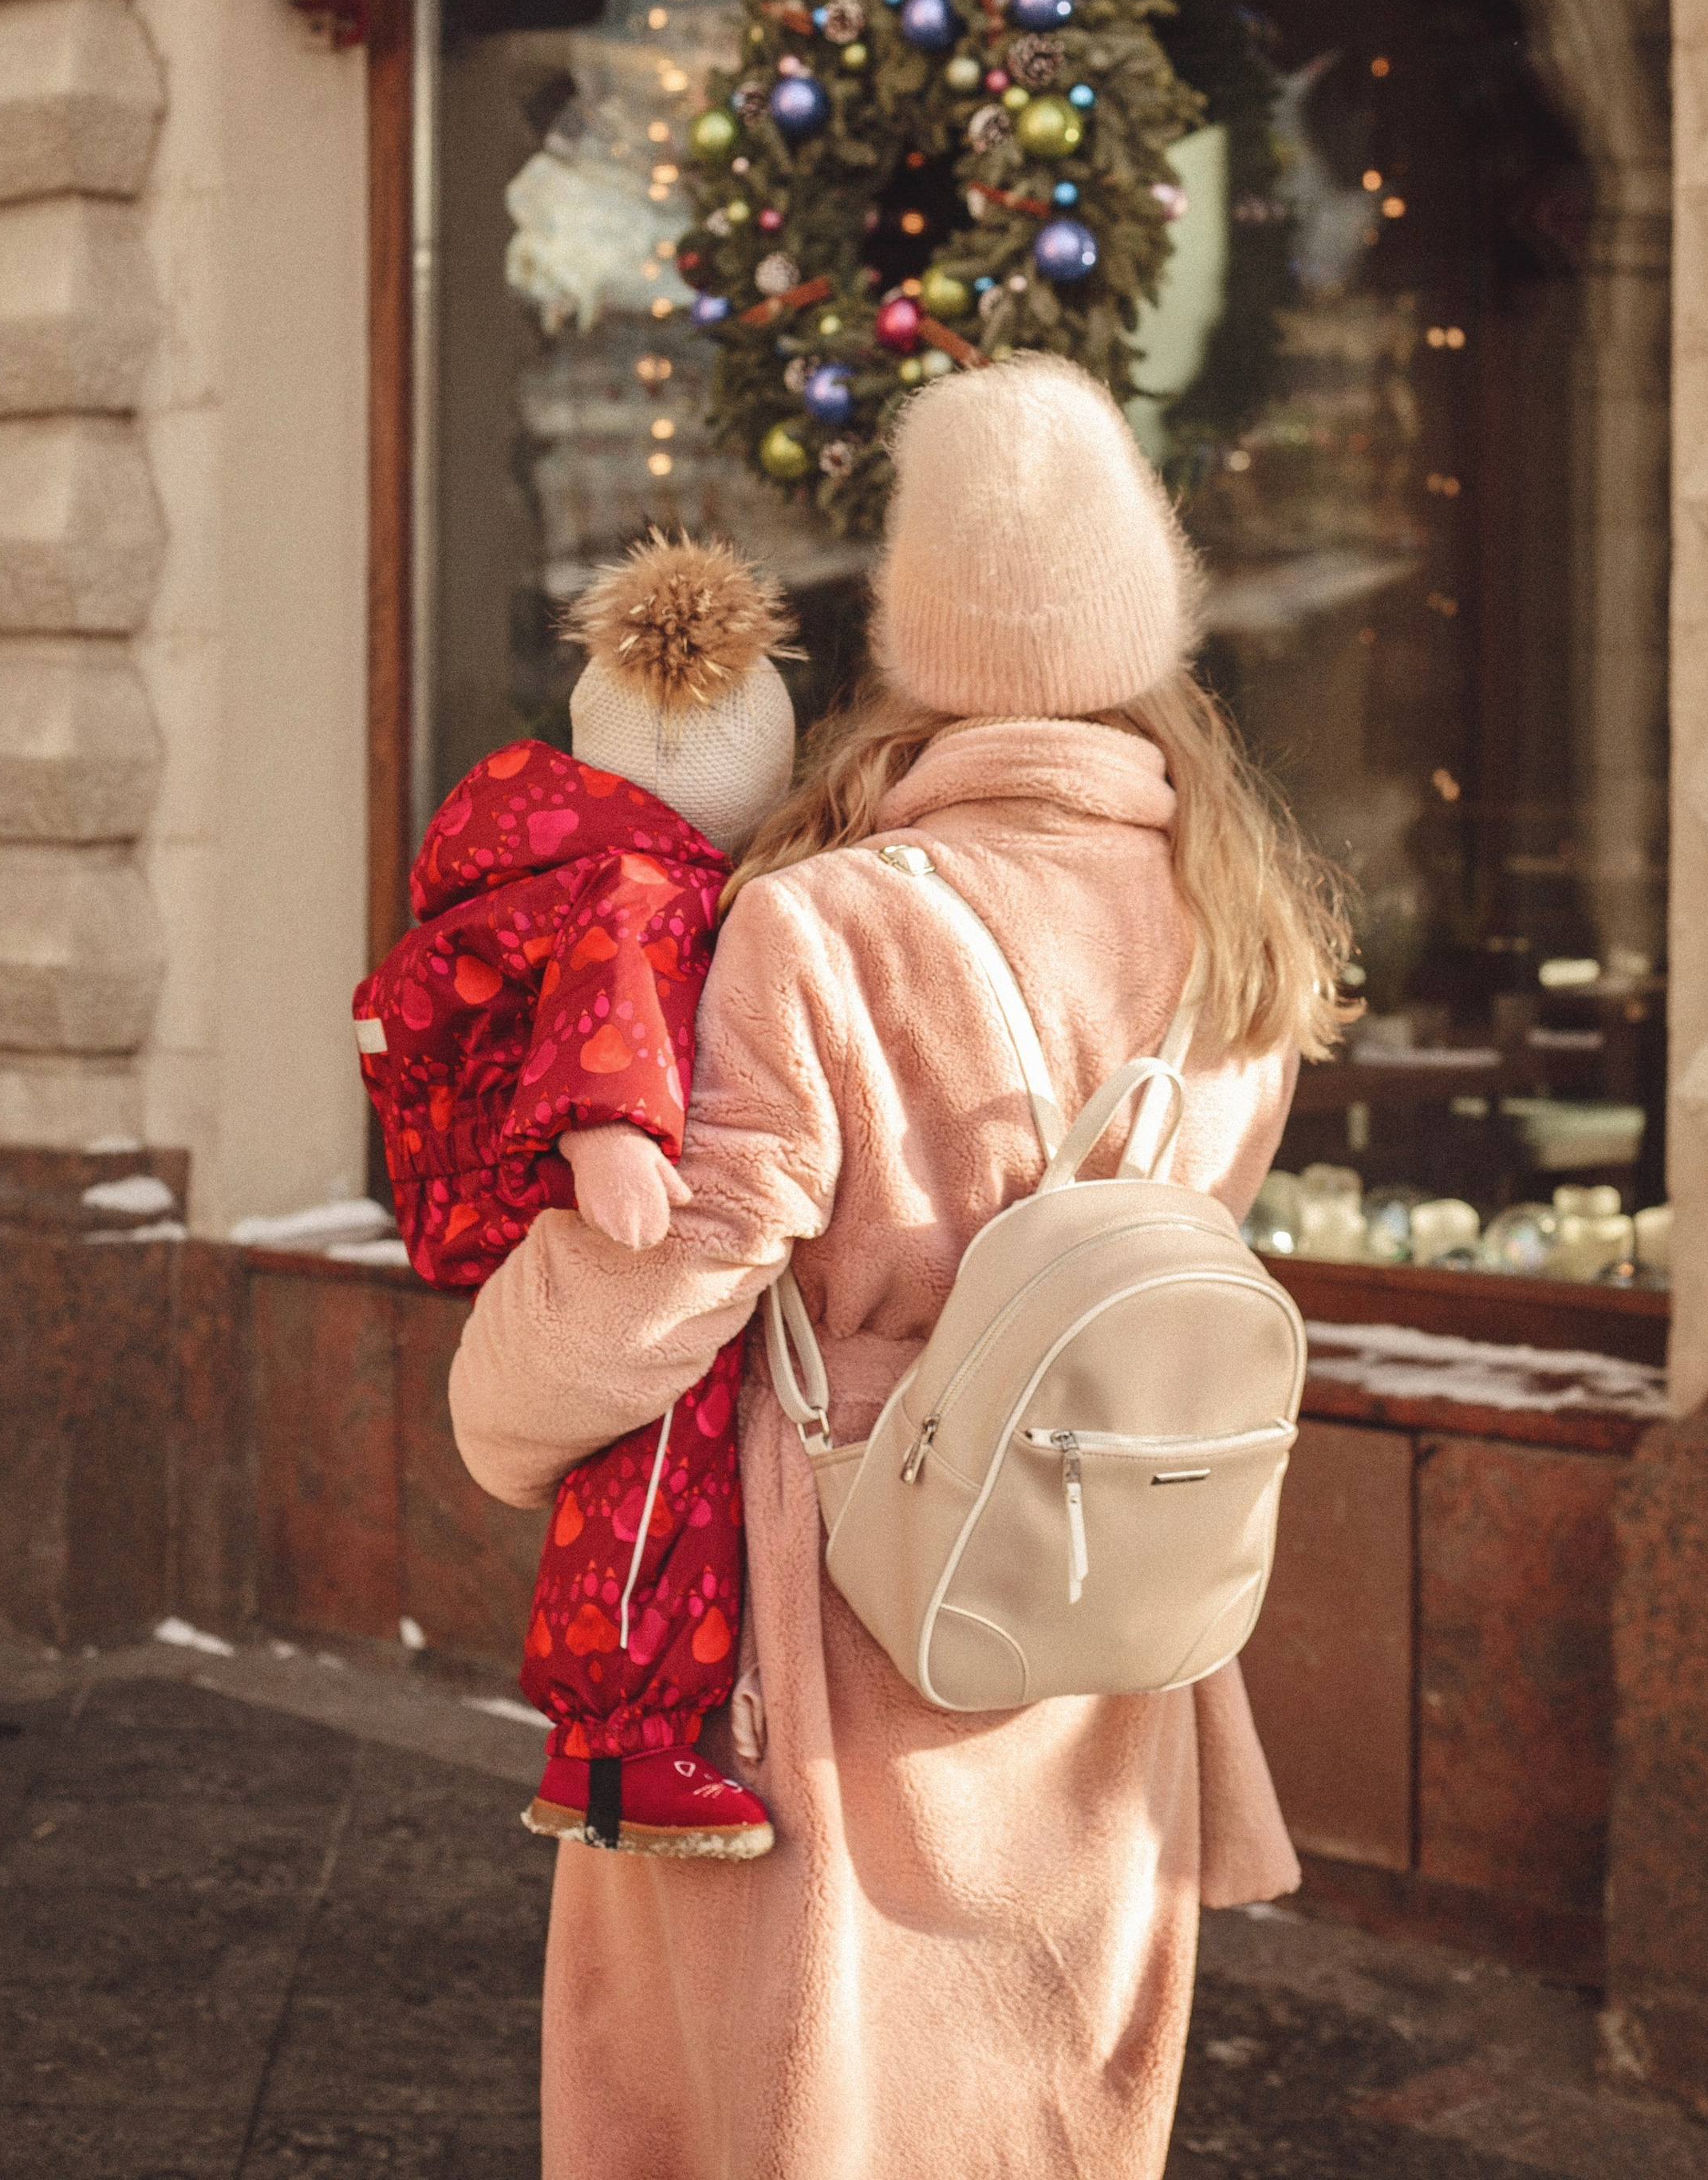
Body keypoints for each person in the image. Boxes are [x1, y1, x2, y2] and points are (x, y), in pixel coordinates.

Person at [449, 357, 1351, 2180]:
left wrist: (498, 1398)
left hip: (844, 1606)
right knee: (1043, 2106)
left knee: (793, 2099)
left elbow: (680, 1265)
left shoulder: (823, 919)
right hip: (1109, 1603)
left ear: (914, 634)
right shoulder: (1240, 923)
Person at [356, 533, 803, 1856]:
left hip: (489, 1170)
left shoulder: (540, 847)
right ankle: (620, 1738)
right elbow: (618, 985)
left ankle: (608, 1751)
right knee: (664, 1432)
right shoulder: (647, 880)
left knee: (624, 1434)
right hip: (580, 1175)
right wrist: (614, 1131)